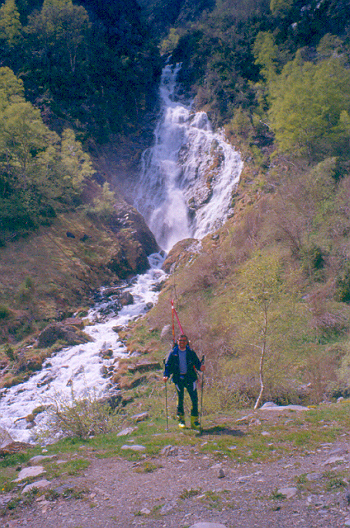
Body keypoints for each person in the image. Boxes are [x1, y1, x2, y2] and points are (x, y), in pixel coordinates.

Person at [163, 334, 205, 430]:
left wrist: (201, 368)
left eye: (183, 341)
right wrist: (166, 375)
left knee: (194, 399)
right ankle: (181, 420)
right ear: (177, 341)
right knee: (180, 399)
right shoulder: (173, 353)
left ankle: (194, 421)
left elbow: (197, 363)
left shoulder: (190, 352)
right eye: (180, 340)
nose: (182, 342)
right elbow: (168, 366)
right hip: (178, 379)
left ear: (186, 342)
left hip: (190, 378)